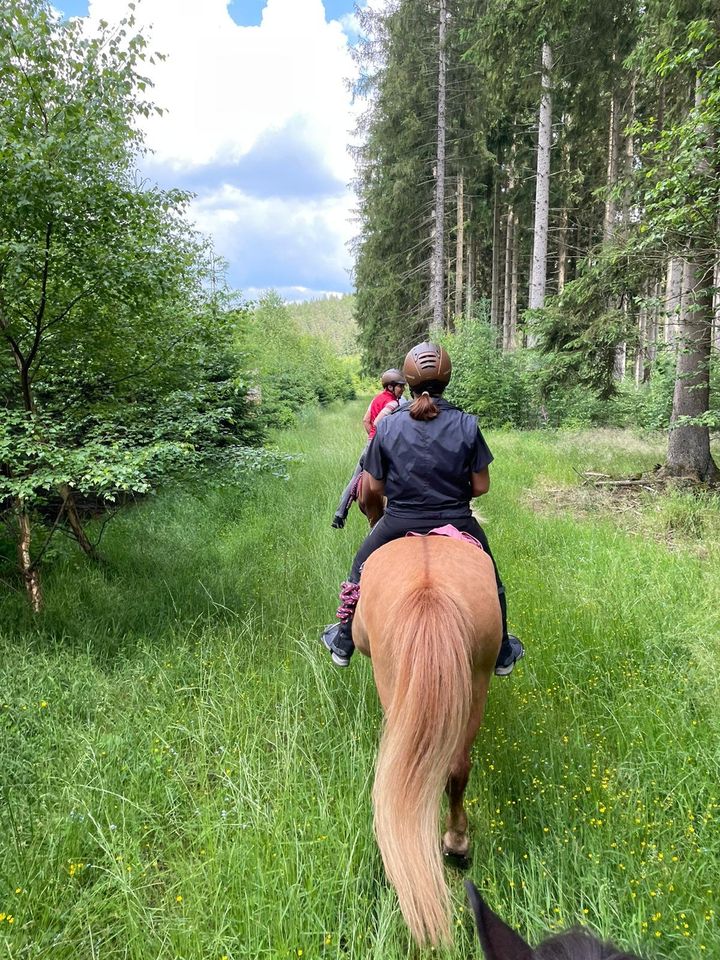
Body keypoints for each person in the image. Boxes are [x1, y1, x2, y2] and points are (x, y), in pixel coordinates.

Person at [321, 341, 524, 675]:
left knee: (359, 566)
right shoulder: (467, 424)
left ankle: (343, 641)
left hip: (399, 520)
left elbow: (377, 486)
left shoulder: (387, 426)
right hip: (459, 520)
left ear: (409, 382)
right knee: (491, 572)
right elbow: (481, 486)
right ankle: (502, 650)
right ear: (447, 378)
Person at [331, 368, 407, 529]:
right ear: (391, 387)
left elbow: (366, 421)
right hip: (384, 445)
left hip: (370, 444)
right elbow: (379, 422)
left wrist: (371, 438)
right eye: (400, 386)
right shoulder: (394, 403)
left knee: (355, 476)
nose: (403, 389)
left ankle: (340, 513)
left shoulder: (376, 399)